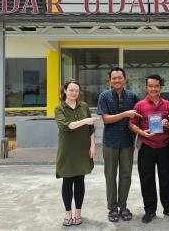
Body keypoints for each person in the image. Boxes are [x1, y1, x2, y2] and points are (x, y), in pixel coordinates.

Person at [129, 74, 169, 223]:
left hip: (164, 146)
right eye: (150, 86)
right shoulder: (139, 105)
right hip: (146, 147)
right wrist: (141, 132)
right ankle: (150, 211)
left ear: (160, 87)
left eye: (156, 86)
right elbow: (132, 124)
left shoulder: (167, 104)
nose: (153, 89)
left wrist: (168, 124)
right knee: (147, 180)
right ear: (146, 88)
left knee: (167, 179)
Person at [97, 67, 140, 223]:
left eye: (119, 77)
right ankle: (112, 207)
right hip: (110, 142)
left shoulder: (132, 96)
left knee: (126, 175)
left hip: (128, 142)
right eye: (114, 78)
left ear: (125, 79)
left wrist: (137, 137)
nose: (117, 80)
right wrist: (125, 114)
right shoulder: (104, 96)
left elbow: (136, 118)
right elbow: (106, 119)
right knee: (110, 176)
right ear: (110, 80)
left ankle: (123, 206)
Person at [55, 79, 97, 227]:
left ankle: (78, 212)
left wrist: (92, 146)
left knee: (80, 181)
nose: (74, 93)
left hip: (82, 149)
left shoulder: (83, 106)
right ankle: (67, 213)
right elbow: (66, 126)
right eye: (71, 90)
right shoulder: (59, 108)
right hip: (67, 150)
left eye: (76, 91)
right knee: (67, 181)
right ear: (65, 90)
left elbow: (91, 129)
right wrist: (86, 121)